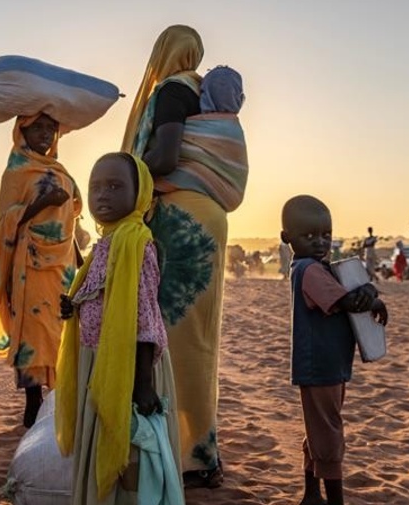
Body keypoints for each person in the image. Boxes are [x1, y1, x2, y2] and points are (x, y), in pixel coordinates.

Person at [122, 25, 249, 487]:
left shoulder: (173, 89)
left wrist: (124, 173)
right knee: (199, 337)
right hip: (208, 218)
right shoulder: (202, 94)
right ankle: (201, 449)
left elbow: (168, 155)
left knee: (168, 338)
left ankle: (179, 455)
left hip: (180, 220)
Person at [56, 153, 182, 505]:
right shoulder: (106, 244)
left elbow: (145, 317)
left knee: (130, 455)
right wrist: (74, 305)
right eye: (96, 187)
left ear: (139, 194)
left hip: (129, 369)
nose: (102, 195)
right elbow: (101, 295)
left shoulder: (138, 244)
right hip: (99, 363)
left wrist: (141, 384)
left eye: (115, 186)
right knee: (104, 441)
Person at [280, 195, 388, 505]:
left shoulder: (316, 267)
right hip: (321, 365)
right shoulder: (309, 270)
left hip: (327, 363)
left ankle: (312, 496)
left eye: (325, 235)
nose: (319, 242)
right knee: (328, 432)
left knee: (319, 428)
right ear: (287, 238)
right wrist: (371, 292)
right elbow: (349, 302)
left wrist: (368, 291)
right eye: (309, 236)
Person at [0, 113, 82, 429]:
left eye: (52, 127)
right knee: (33, 331)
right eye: (38, 127)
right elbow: (7, 219)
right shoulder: (16, 172)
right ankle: (33, 401)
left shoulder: (61, 170)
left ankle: (60, 399)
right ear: (21, 131)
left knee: (61, 330)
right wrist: (43, 202)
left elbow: (73, 214)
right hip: (29, 265)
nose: (46, 133)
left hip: (62, 265)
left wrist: (79, 260)